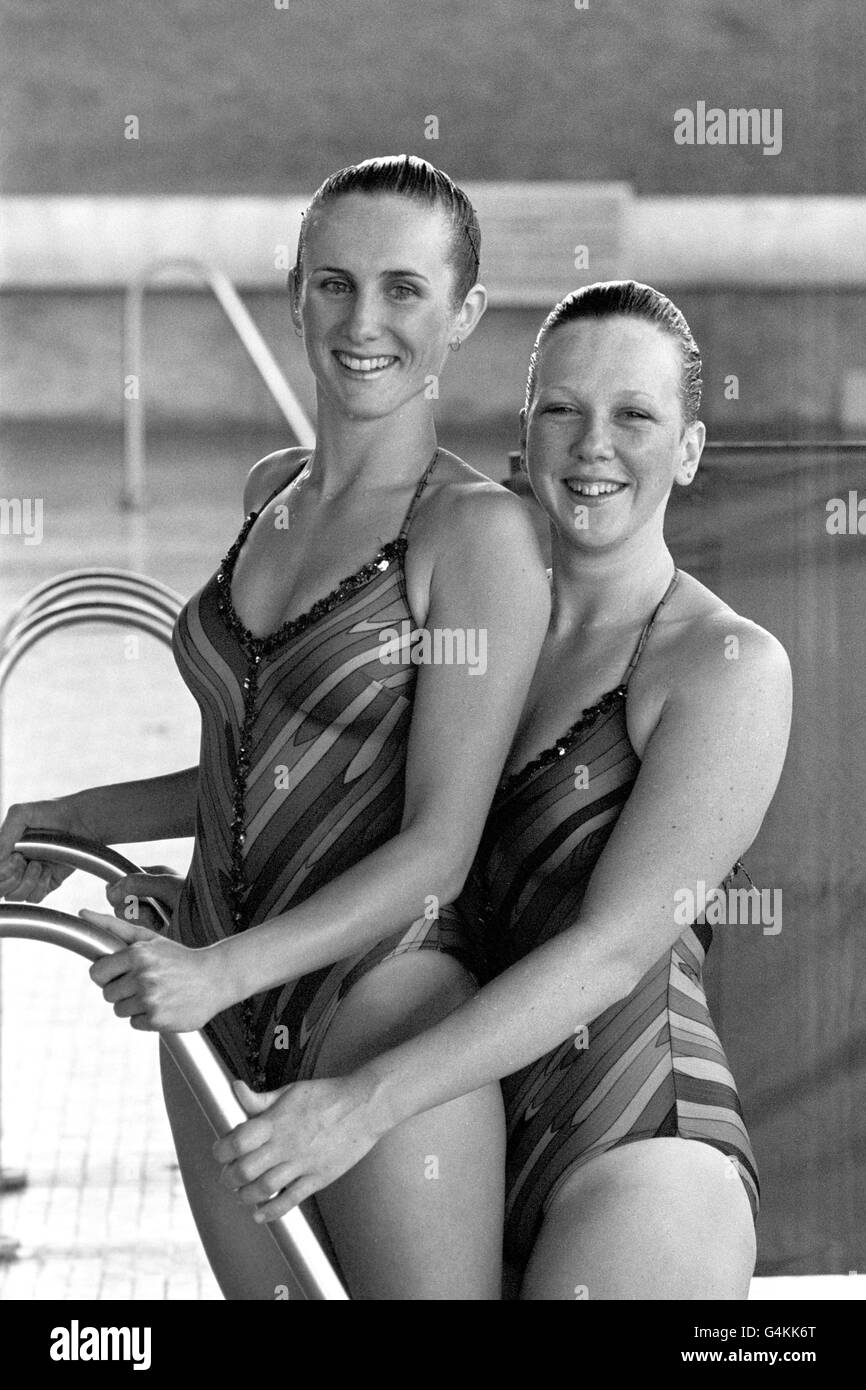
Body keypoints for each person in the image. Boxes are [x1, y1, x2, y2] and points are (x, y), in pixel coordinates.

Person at [0, 155, 551, 1300]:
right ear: (294, 295)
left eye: (405, 289)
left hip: (380, 1019)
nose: (364, 320)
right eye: (334, 283)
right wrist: (74, 816)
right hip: (213, 1017)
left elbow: (437, 847)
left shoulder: (475, 534)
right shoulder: (272, 494)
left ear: (464, 316)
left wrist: (215, 970)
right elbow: (249, 755)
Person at [210, 281, 793, 1301]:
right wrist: (110, 839)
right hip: (448, 1119)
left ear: (688, 451)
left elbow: (609, 950)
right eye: (561, 408)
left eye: (634, 415)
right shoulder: (462, 587)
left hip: (631, 1142)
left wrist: (364, 1103)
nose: (592, 444)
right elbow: (295, 770)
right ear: (523, 429)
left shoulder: (722, 666)